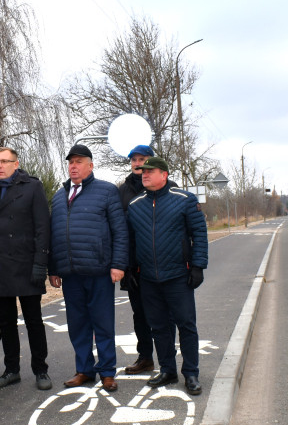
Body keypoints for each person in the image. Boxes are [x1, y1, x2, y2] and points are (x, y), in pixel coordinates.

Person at [125, 157, 208, 396]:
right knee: (159, 327)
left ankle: (191, 372)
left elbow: (199, 234)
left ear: (165, 174)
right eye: (143, 171)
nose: (145, 174)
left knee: (186, 325)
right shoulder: (135, 204)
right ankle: (167, 370)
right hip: (148, 278)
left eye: (150, 171)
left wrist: (198, 266)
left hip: (178, 276)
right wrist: (130, 269)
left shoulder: (184, 200)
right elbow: (131, 241)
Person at [48, 144, 128, 392]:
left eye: (79, 161)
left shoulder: (106, 191)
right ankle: (84, 369)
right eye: (71, 162)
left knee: (103, 324)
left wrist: (118, 264)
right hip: (71, 274)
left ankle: (107, 372)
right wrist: (54, 268)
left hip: (99, 270)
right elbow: (54, 235)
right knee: (78, 325)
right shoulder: (59, 196)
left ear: (90, 165)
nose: (74, 166)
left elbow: (120, 231)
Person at [0, 147, 52, 391]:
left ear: (16, 163)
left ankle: (41, 369)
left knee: (33, 320)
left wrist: (41, 264)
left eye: (4, 161)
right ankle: (12, 370)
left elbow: (42, 228)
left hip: (26, 264)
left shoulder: (32, 187)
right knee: (6, 321)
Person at [118, 143, 158, 375]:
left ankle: (167, 361)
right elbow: (117, 228)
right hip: (134, 266)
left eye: (141, 159)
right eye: (133, 159)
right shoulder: (121, 191)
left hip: (159, 263)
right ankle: (145, 358)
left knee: (162, 314)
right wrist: (123, 264)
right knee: (139, 314)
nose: (137, 163)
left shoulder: (164, 187)